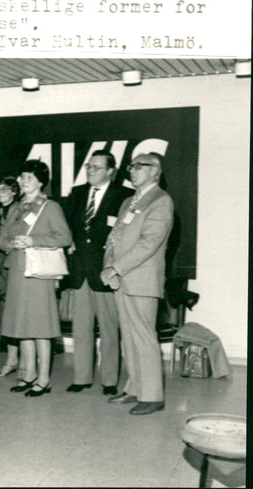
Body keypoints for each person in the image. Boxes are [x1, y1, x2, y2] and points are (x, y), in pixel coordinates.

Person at [101, 153, 174, 415]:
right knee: (129, 337)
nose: (131, 170)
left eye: (138, 166)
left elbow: (149, 243)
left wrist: (116, 267)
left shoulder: (161, 201)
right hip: (121, 278)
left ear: (154, 171)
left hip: (141, 279)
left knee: (143, 336)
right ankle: (134, 388)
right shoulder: (128, 202)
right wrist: (108, 266)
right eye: (130, 166)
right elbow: (114, 237)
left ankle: (153, 396)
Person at [0, 160, 72, 398]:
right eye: (21, 177)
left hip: (38, 274)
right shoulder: (16, 207)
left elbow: (64, 237)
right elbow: (1, 238)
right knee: (22, 327)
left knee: (40, 328)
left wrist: (33, 241)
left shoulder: (50, 207)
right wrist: (9, 243)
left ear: (40, 182)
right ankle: (28, 374)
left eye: (28, 177)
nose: (22, 181)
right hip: (18, 273)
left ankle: (44, 378)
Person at [64, 151, 133, 396]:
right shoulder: (78, 193)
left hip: (105, 273)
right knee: (81, 329)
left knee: (108, 330)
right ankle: (81, 377)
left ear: (110, 171)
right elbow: (68, 226)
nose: (90, 171)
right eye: (88, 166)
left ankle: (109, 380)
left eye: (96, 167)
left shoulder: (125, 196)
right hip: (80, 270)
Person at [0, 176, 23, 378]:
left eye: (4, 189)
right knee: (6, 313)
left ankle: (18, 361)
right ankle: (12, 358)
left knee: (17, 313)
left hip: (18, 265)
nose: (0, 193)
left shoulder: (21, 210)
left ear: (14, 191)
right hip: (1, 268)